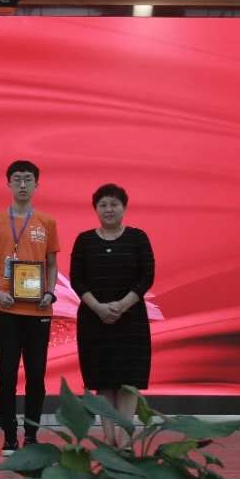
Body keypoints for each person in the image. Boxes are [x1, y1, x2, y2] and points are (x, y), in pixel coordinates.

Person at [69, 183, 155, 446]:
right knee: (103, 380)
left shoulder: (137, 238)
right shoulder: (84, 240)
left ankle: (125, 439)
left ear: (124, 208)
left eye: (114, 204)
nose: (109, 209)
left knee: (128, 381)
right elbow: (77, 280)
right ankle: (108, 438)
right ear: (95, 209)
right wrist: (98, 307)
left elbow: (147, 277)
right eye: (103, 205)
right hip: (94, 320)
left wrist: (121, 305)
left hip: (131, 320)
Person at [0, 160, 60, 454]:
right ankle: (9, 435)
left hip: (38, 310)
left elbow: (51, 263)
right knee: (6, 373)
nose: (23, 184)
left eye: (28, 179)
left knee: (36, 374)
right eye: (17, 179)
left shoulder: (47, 222)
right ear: (8, 184)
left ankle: (31, 434)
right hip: (4, 309)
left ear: (37, 184)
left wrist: (50, 292)